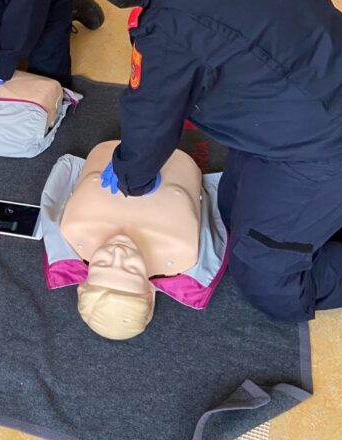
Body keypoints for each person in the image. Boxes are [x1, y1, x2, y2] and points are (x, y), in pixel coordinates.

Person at [68, 0, 342, 323]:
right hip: (319, 94)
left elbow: (151, 117)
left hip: (327, 141)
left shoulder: (170, 21)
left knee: (264, 279)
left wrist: (131, 173)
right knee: (230, 207)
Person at [40, 141, 226, 341]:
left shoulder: (73, 230)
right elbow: (216, 214)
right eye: (130, 268)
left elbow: (61, 180)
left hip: (109, 148)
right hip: (176, 155)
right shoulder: (182, 250)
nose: (117, 254)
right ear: (150, 291)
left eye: (102, 263)